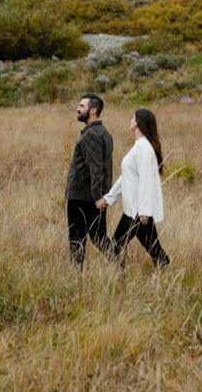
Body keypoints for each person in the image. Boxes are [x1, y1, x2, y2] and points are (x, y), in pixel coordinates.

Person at [97, 108, 170, 269]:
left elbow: (146, 180)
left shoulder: (144, 148)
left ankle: (120, 277)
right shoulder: (139, 146)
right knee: (152, 246)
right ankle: (164, 268)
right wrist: (109, 199)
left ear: (138, 123)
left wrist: (144, 210)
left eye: (133, 118)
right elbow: (126, 178)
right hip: (133, 209)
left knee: (118, 245)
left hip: (137, 211)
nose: (130, 120)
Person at [65, 93, 114, 268]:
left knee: (77, 240)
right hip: (94, 197)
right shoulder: (104, 133)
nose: (78, 109)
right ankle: (120, 267)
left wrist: (97, 196)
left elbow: (96, 168)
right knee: (99, 238)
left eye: (82, 106)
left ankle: (75, 276)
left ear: (93, 111)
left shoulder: (92, 135)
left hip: (83, 198)